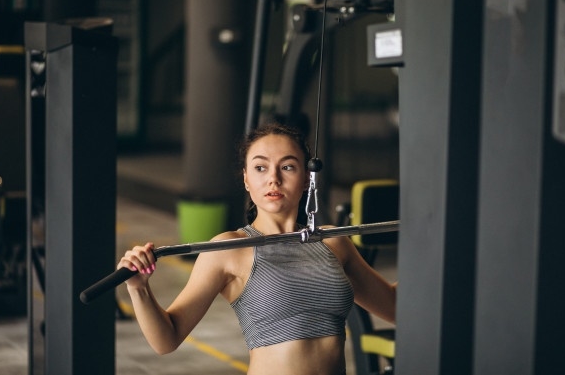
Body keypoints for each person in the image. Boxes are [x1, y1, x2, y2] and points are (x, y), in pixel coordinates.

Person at [117, 122, 397, 375]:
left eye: (287, 166)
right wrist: (138, 288)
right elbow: (167, 340)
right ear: (246, 179)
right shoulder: (228, 249)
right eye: (260, 168)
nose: (273, 178)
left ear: (307, 178)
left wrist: (436, 251)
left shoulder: (334, 242)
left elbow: (395, 306)